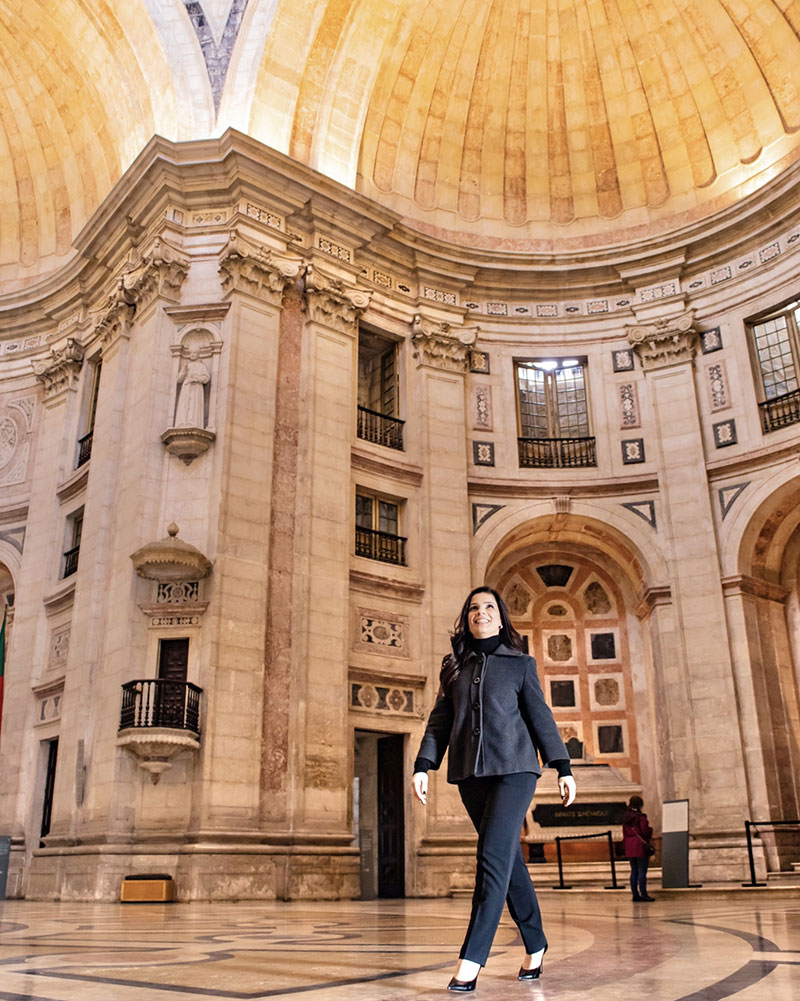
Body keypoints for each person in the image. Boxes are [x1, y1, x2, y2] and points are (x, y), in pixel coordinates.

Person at [411, 586, 576, 992]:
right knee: (509, 862)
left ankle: (471, 959)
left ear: (500, 618)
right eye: (473, 608)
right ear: (466, 618)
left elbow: (541, 717)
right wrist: (423, 765)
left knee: (490, 857)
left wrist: (562, 766)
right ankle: (535, 945)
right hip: (470, 775)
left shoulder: (521, 665)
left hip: (516, 772)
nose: (480, 613)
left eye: (488, 607)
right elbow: (439, 722)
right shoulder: (454, 668)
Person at [622, 795, 654, 901]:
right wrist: (650, 830)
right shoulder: (640, 817)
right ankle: (643, 894)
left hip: (629, 846)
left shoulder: (625, 818)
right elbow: (645, 831)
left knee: (634, 870)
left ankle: (635, 894)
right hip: (640, 846)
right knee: (641, 871)